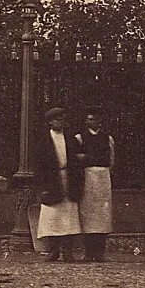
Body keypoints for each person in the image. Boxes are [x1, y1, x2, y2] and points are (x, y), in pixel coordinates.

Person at [32, 106, 84, 262]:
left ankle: (68, 252)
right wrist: (42, 187)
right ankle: (53, 250)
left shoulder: (71, 139)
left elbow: (77, 160)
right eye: (57, 120)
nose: (61, 123)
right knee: (52, 217)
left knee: (69, 216)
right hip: (52, 180)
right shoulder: (43, 140)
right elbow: (39, 165)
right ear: (50, 122)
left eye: (63, 120)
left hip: (68, 178)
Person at [74, 108, 115, 262]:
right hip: (88, 177)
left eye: (96, 119)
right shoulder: (79, 138)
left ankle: (100, 252)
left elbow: (111, 159)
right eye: (90, 119)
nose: (94, 122)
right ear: (86, 121)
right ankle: (89, 251)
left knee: (103, 216)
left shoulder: (108, 138)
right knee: (88, 215)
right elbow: (77, 158)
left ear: (100, 121)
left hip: (103, 177)